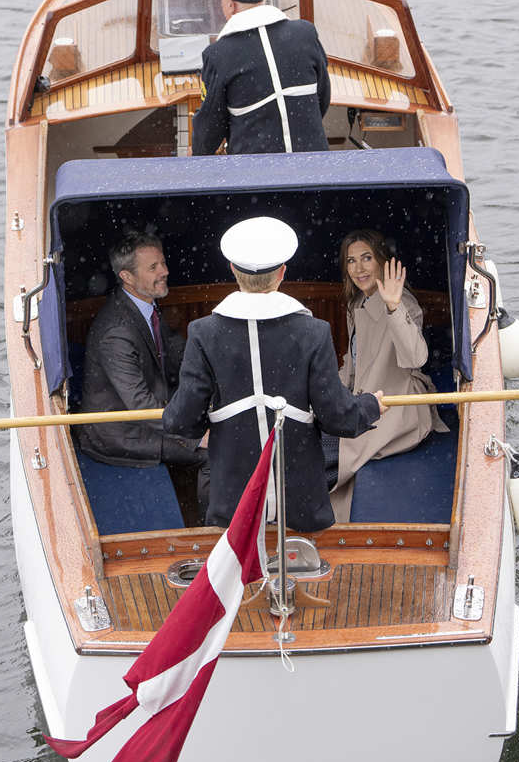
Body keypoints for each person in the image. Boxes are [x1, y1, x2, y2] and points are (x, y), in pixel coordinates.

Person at [162, 217, 385, 531]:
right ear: (282, 273)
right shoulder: (313, 332)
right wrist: (371, 406)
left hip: (233, 500)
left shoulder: (203, 333)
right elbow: (339, 418)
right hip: (300, 502)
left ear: (232, 270)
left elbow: (181, 421)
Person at [79, 230, 208, 518]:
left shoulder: (144, 304)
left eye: (162, 263)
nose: (165, 271)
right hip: (123, 435)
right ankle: (213, 530)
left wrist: (215, 369)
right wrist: (196, 438)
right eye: (153, 267)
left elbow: (174, 348)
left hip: (152, 413)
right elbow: (141, 407)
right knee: (218, 454)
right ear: (127, 277)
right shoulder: (117, 333)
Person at [329, 229, 448, 521]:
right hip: (363, 404)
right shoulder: (356, 302)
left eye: (367, 258)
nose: (359, 268)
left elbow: (415, 357)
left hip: (397, 410)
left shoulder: (400, 302)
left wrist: (393, 306)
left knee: (324, 458)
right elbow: (354, 365)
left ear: (382, 261)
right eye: (351, 260)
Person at [192, 0, 331, 155]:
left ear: (230, 4)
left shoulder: (218, 55)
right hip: (313, 163)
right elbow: (322, 98)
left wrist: (197, 153)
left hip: (256, 175)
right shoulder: (305, 33)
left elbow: (209, 129)